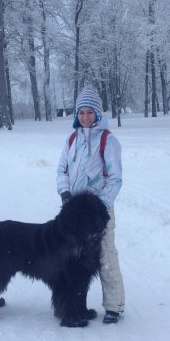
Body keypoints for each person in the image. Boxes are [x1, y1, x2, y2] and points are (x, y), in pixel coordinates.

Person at [57, 86, 125, 324]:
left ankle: (114, 305)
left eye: (90, 112)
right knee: (74, 260)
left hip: (98, 213)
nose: (85, 117)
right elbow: (62, 169)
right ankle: (74, 305)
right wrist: (65, 193)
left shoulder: (108, 140)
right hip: (73, 213)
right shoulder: (72, 139)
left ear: (97, 113)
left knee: (104, 256)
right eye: (81, 112)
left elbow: (115, 178)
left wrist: (100, 205)